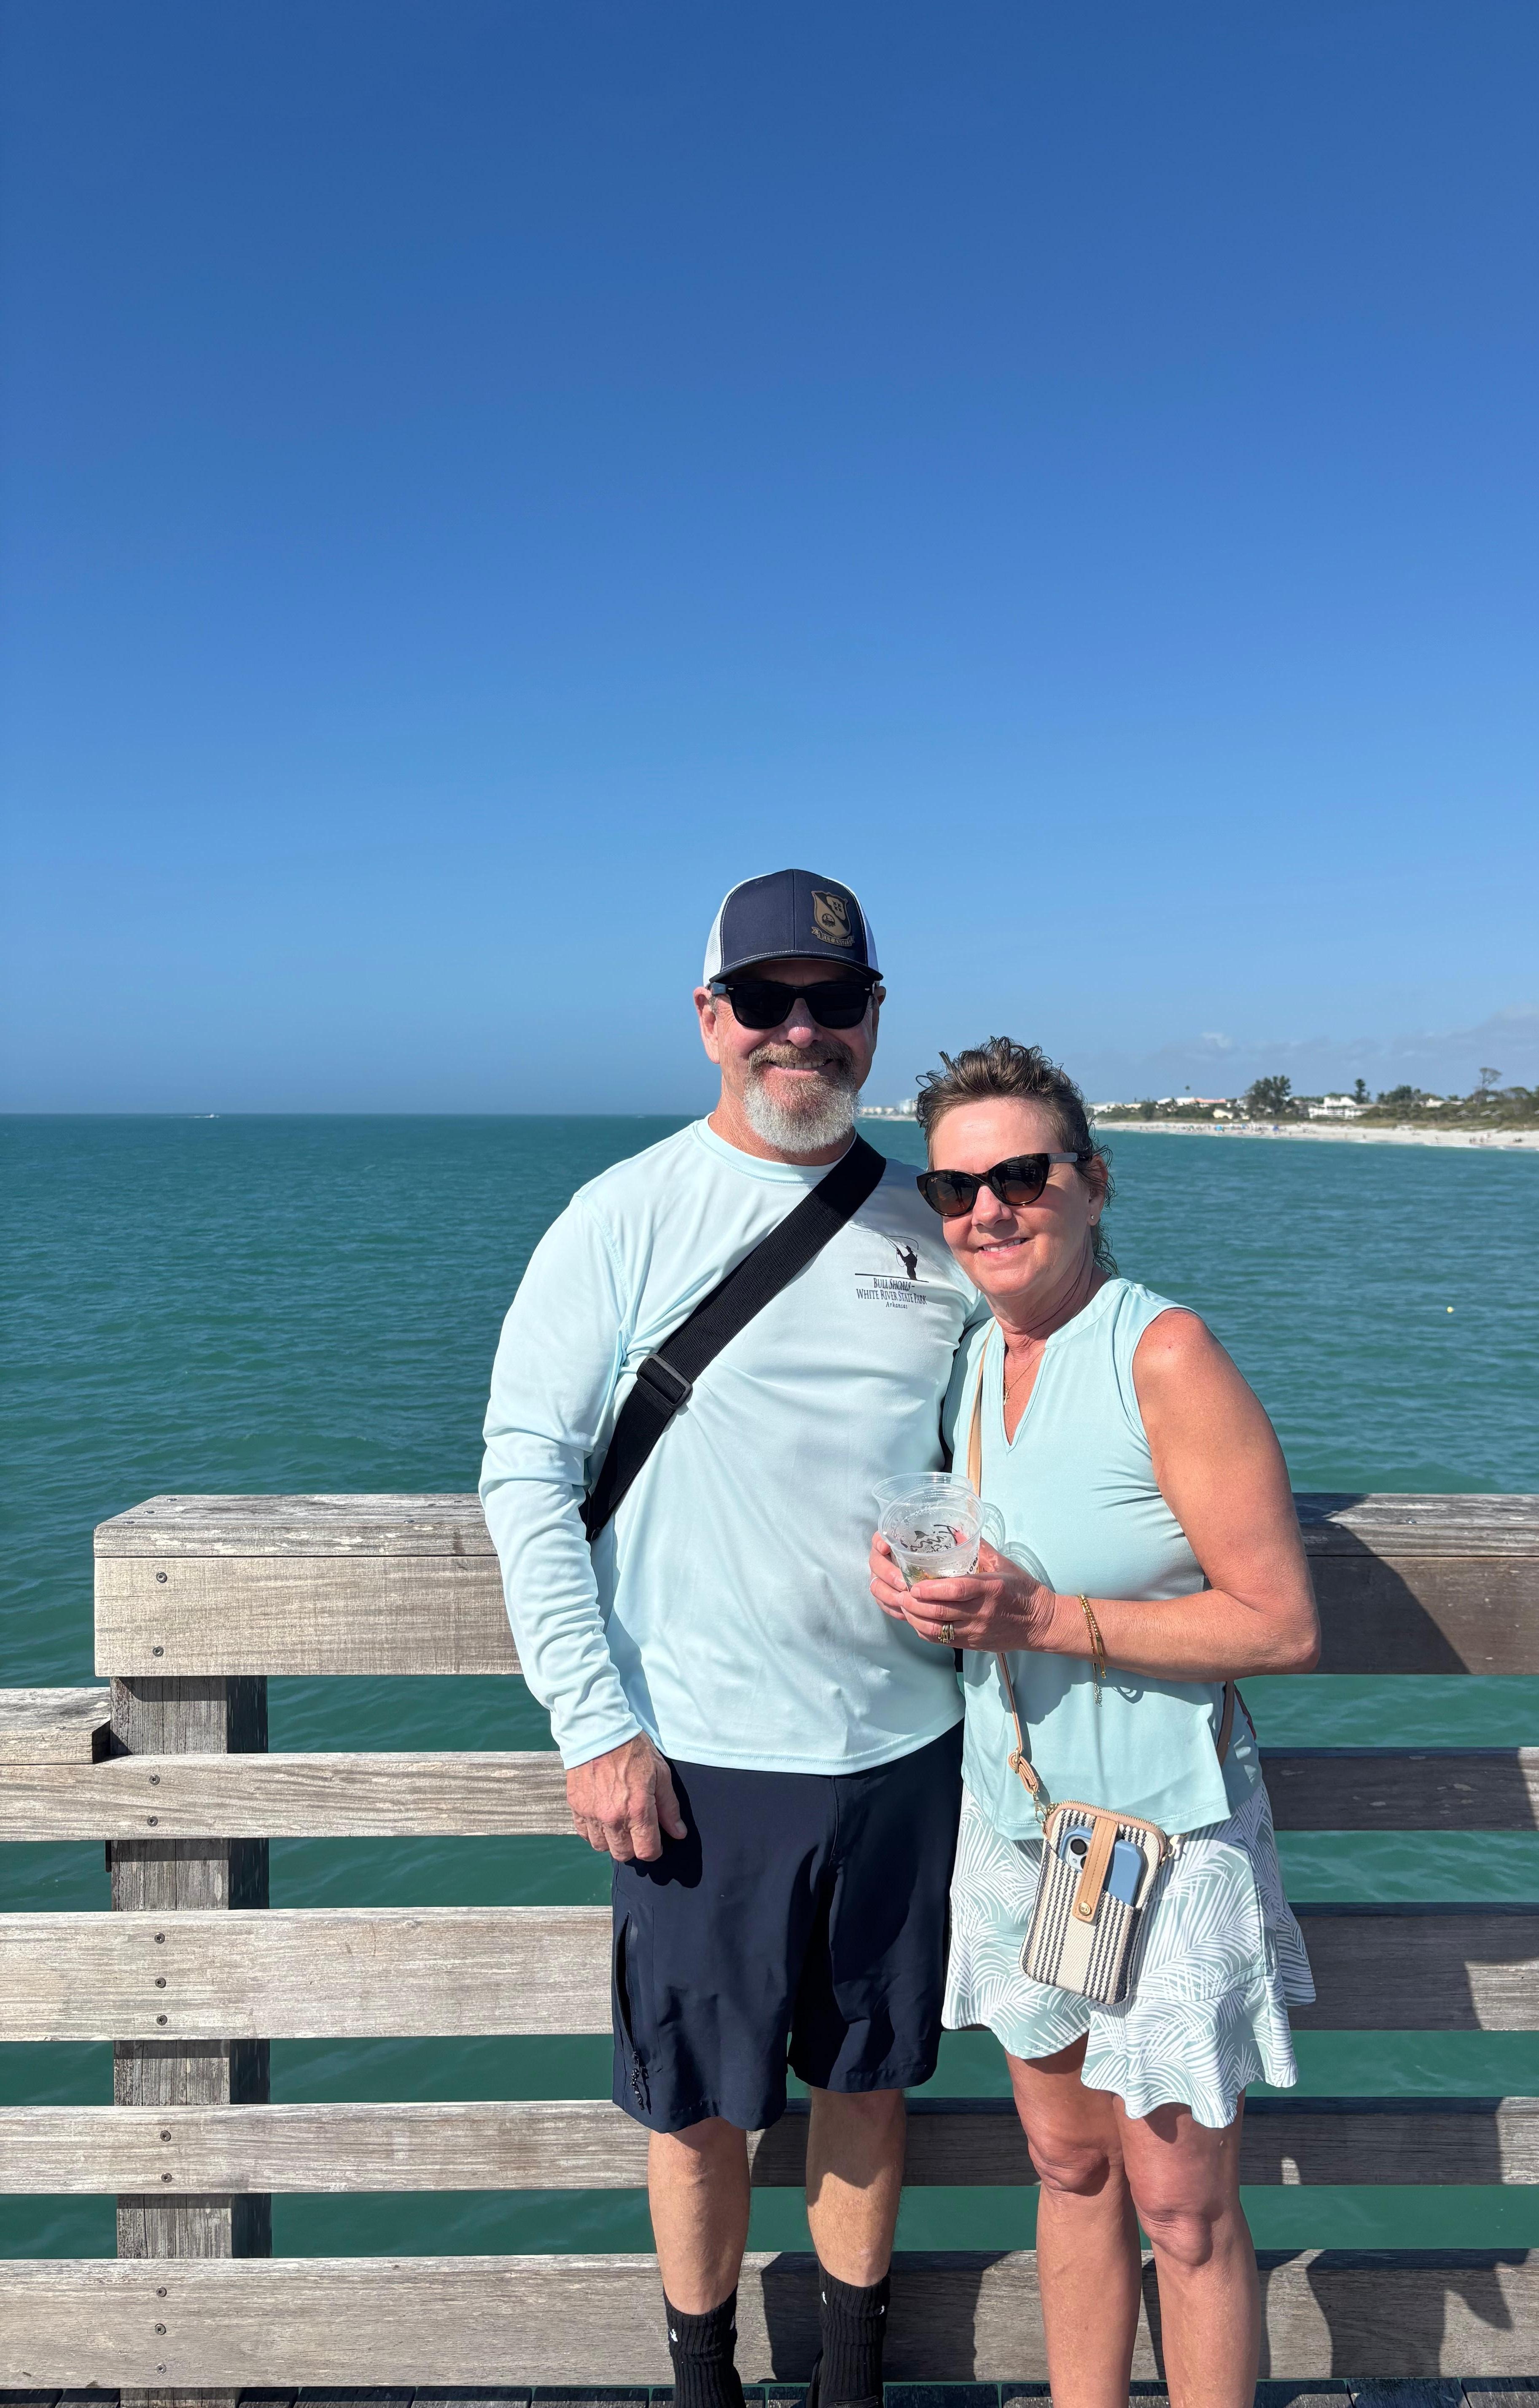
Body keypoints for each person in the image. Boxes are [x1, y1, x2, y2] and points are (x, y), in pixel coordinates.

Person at [481, 869, 985, 2408]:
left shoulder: (935, 1226)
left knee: (868, 2087)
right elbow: (523, 1474)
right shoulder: (621, 1214)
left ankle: (849, 2386)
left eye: (833, 1004)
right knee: (697, 2112)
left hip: (907, 1751)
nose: (801, 1032)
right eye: (763, 1002)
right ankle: (702, 2388)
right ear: (710, 1020)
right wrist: (594, 1726)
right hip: (692, 1759)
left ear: (873, 1023)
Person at [869, 1036, 1320, 2408]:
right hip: (1019, 1840)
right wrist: (904, 1589)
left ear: (1093, 1182)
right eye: (953, 1190)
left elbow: (1280, 1625)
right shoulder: (967, 1362)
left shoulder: (1162, 1352)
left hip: (1161, 1848)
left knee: (1182, 2214)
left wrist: (1047, 1620)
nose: (986, 1212)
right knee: (1065, 2170)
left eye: (1020, 1175)